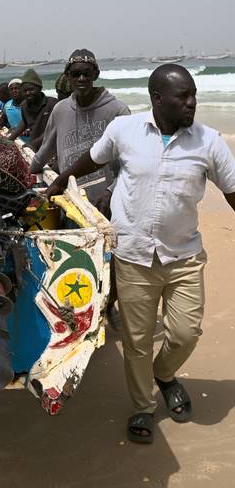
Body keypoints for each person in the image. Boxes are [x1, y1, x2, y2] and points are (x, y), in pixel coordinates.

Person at [45, 64, 235, 444]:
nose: (192, 103)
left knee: (185, 333)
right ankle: (143, 406)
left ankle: (164, 374)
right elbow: (93, 159)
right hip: (133, 256)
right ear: (157, 99)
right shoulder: (124, 131)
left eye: (194, 95)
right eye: (183, 97)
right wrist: (57, 185)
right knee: (137, 341)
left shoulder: (209, 141)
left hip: (183, 256)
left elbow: (232, 191)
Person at [31, 49, 130, 328]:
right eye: (76, 74)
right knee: (74, 259)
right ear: (68, 77)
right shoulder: (61, 109)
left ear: (96, 74)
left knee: (111, 260)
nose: (82, 78)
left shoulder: (117, 110)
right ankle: (79, 312)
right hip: (71, 200)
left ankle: (109, 305)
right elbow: (45, 148)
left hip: (107, 201)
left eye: (87, 72)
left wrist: (112, 191)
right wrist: (27, 169)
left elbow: (128, 162)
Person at [8, 69, 57, 151]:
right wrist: (9, 139)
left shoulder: (53, 104)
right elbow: (24, 123)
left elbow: (54, 130)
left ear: (40, 88)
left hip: (52, 149)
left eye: (31, 90)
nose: (28, 93)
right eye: (25, 91)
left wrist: (33, 144)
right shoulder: (24, 105)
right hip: (35, 149)